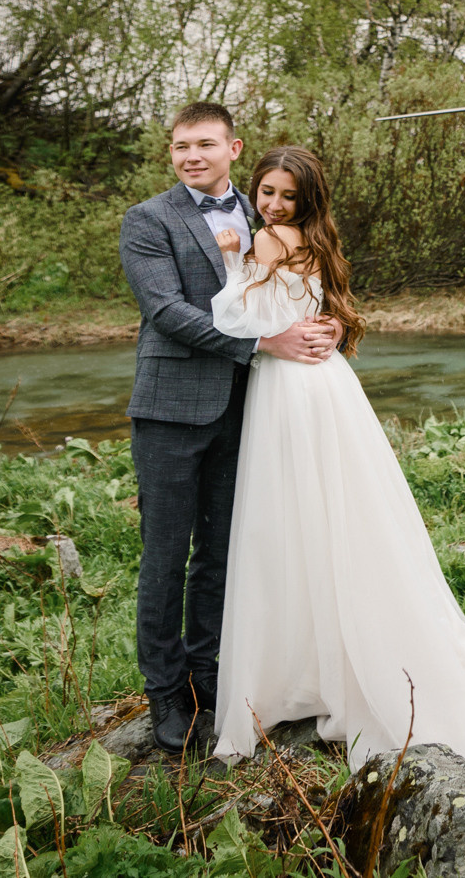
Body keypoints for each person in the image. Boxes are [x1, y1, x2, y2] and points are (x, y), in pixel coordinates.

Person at [207, 144, 465, 774]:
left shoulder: (268, 239)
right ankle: (331, 654)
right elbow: (322, 310)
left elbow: (235, 315)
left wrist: (232, 260)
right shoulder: (315, 238)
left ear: (303, 202)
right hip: (327, 382)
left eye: (287, 197)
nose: (274, 205)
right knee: (340, 513)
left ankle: (304, 664)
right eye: (267, 192)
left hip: (290, 388)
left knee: (290, 518)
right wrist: (324, 325)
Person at [120, 103, 343, 753]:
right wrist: (265, 345)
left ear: (233, 147)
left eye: (205, 144)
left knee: (220, 555)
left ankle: (210, 675)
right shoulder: (148, 220)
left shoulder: (266, 207)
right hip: (169, 409)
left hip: (247, 410)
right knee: (164, 556)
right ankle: (164, 693)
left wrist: (327, 324)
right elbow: (166, 312)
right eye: (180, 146)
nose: (192, 155)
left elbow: (304, 279)